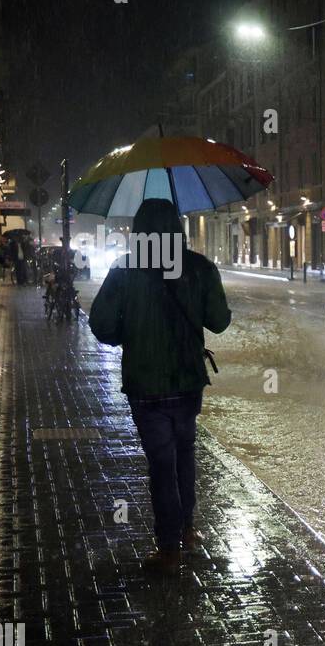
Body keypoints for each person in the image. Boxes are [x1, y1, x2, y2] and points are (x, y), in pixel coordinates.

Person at [89, 199, 231, 575]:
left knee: (162, 463)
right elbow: (219, 321)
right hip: (187, 383)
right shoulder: (199, 267)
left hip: (146, 385)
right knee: (185, 452)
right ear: (177, 227)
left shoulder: (125, 270)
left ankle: (169, 550)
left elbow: (102, 325)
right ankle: (186, 528)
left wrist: (129, 333)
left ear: (138, 230)